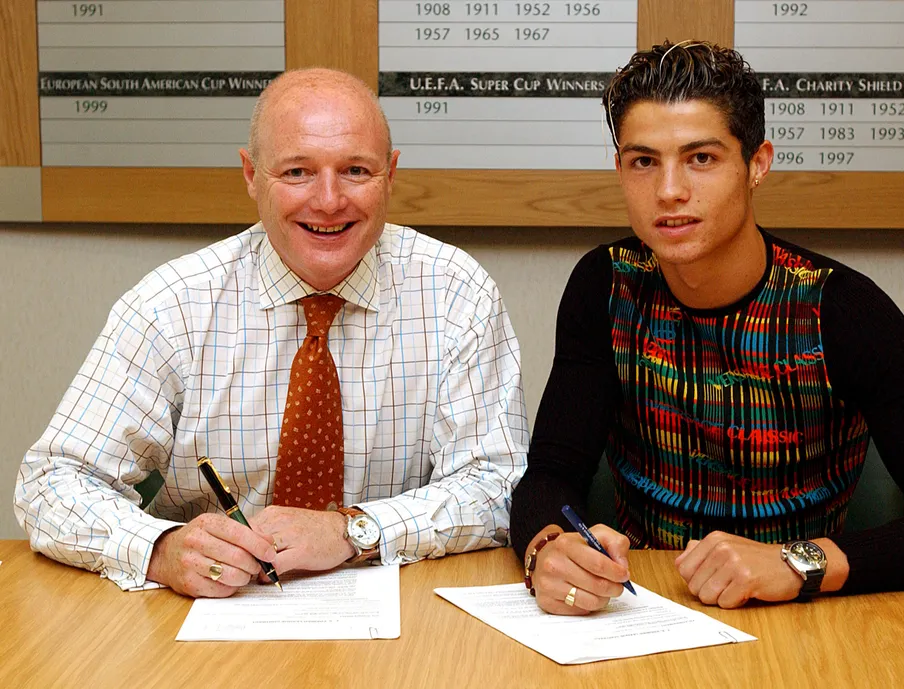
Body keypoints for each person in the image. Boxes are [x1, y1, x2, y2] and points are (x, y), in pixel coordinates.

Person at [510, 41, 904, 614]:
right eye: (644, 161)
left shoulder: (841, 310)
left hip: (808, 616)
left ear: (757, 164)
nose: (669, 190)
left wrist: (797, 562)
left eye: (701, 158)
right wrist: (548, 549)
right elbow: (550, 473)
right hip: (645, 608)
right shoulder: (606, 286)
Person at [15, 69, 528, 598]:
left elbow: (498, 486)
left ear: (390, 176)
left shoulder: (456, 295)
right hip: (214, 607)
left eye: (355, 170)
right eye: (297, 172)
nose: (328, 200)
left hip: (402, 606)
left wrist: (353, 530)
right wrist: (161, 548)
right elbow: (50, 482)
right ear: (251, 175)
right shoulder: (172, 306)